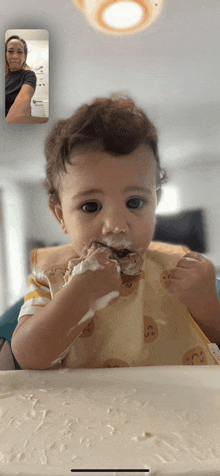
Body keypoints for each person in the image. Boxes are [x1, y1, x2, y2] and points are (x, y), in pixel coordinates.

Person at [11, 96, 220, 370]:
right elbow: (28, 358)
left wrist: (207, 305)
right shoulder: (53, 277)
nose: (116, 225)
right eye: (91, 206)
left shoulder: (178, 270)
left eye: (135, 202)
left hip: (174, 407)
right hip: (85, 411)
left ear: (155, 202)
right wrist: (78, 295)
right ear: (61, 216)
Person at [5, 35, 48, 123]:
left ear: (25, 56)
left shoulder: (29, 75)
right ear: (5, 55)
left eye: (20, 52)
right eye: (10, 51)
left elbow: (23, 100)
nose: (15, 56)